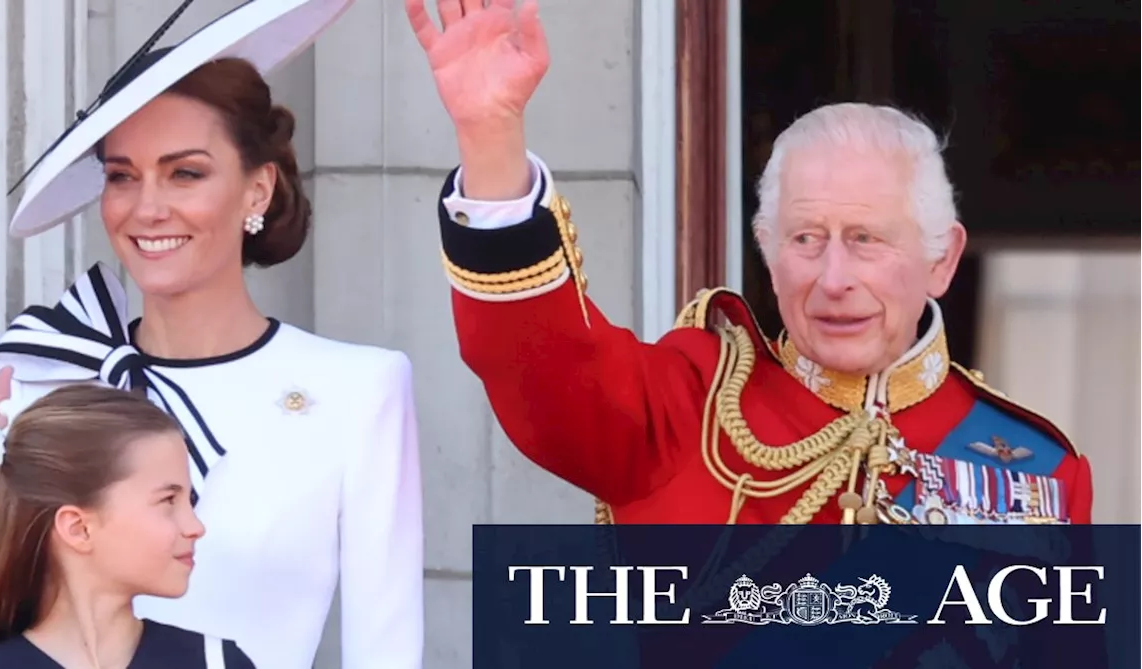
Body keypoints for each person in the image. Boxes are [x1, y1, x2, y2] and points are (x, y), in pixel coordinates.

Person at [405, 0, 1092, 527]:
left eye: (866, 239)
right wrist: (490, 135)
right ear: (767, 252)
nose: (833, 278)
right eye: (805, 239)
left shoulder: (1041, 472)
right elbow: (544, 362)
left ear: (942, 260)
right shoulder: (688, 410)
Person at [0, 2, 423, 667]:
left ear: (257, 190)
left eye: (185, 172)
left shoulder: (358, 390)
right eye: (122, 175)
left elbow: (386, 649)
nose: (146, 207)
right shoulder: (41, 375)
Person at [0, 384, 255, 668]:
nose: (196, 527)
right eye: (168, 500)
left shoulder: (219, 663)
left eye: (190, 501)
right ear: (78, 528)